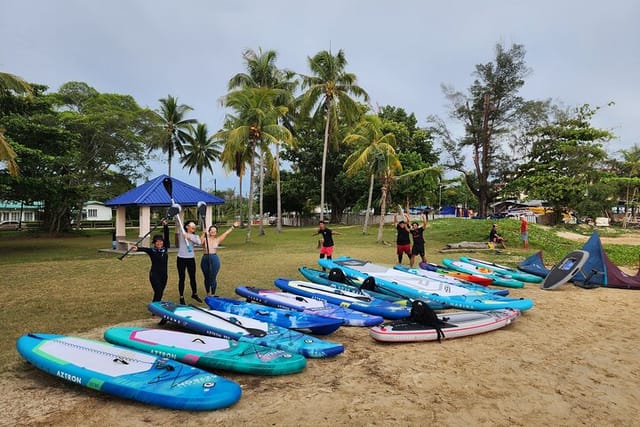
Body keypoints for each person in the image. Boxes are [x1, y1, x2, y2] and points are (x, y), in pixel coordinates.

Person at [130, 219, 170, 303]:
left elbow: (167, 236)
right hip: (154, 275)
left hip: (164, 275)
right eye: (157, 242)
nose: (159, 243)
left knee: (160, 293)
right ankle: (154, 311)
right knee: (158, 291)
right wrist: (137, 248)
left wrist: (165, 225)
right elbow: (144, 249)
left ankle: (156, 308)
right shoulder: (152, 251)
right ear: (154, 243)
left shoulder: (165, 249)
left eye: (160, 241)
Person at [200, 221, 240, 296]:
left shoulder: (218, 239)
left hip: (214, 258)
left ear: (216, 232)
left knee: (213, 277)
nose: (213, 231)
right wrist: (203, 233)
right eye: (211, 230)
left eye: (214, 231)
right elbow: (200, 242)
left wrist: (233, 226)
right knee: (206, 277)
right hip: (205, 258)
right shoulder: (205, 239)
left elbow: (226, 233)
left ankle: (213, 294)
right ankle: (208, 293)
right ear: (209, 231)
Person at [176, 220, 202, 304]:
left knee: (192, 277)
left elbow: (199, 243)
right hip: (181, 258)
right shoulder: (181, 233)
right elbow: (178, 222)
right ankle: (181, 297)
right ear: (187, 227)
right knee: (182, 278)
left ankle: (194, 293)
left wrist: (189, 237)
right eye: (192, 226)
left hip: (190, 258)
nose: (194, 227)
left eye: (194, 226)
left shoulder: (195, 236)